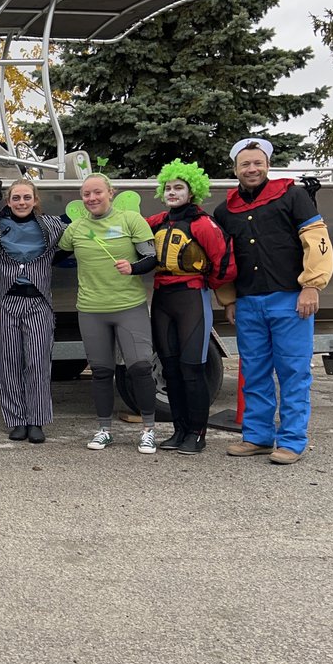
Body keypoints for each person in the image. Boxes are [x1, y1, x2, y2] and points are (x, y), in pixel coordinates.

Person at [213, 138, 333, 465]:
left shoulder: (292, 196)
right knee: (254, 373)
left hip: (292, 301)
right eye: (245, 164)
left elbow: (317, 241)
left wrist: (312, 286)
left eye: (257, 163)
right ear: (235, 169)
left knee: (293, 372)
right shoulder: (225, 211)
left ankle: (292, 441)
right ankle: (258, 437)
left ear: (267, 164)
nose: (251, 169)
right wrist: (228, 299)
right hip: (248, 303)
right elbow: (223, 259)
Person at [59, 173, 159, 453]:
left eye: (97, 193)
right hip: (91, 309)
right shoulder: (76, 228)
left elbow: (151, 258)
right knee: (101, 371)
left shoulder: (130, 220)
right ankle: (104, 429)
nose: (91, 198)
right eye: (86, 194)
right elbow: (54, 254)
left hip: (129, 307)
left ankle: (148, 429)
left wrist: (134, 267)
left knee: (140, 367)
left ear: (110, 193)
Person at [145, 160, 237, 455]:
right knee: (170, 369)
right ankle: (179, 430)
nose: (172, 192)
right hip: (162, 298)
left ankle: (197, 434)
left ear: (191, 191)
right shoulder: (158, 221)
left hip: (191, 299)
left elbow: (225, 264)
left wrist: (204, 282)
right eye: (168, 188)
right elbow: (131, 233)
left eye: (179, 188)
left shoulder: (203, 224)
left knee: (191, 369)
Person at [0, 177, 67, 444]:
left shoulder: (52, 226)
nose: (21, 202)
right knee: (8, 364)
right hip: (6, 302)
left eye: (26, 197)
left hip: (39, 301)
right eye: (16, 198)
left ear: (35, 200)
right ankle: (16, 420)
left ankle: (36, 420)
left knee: (38, 363)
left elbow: (75, 237)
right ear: (8, 201)